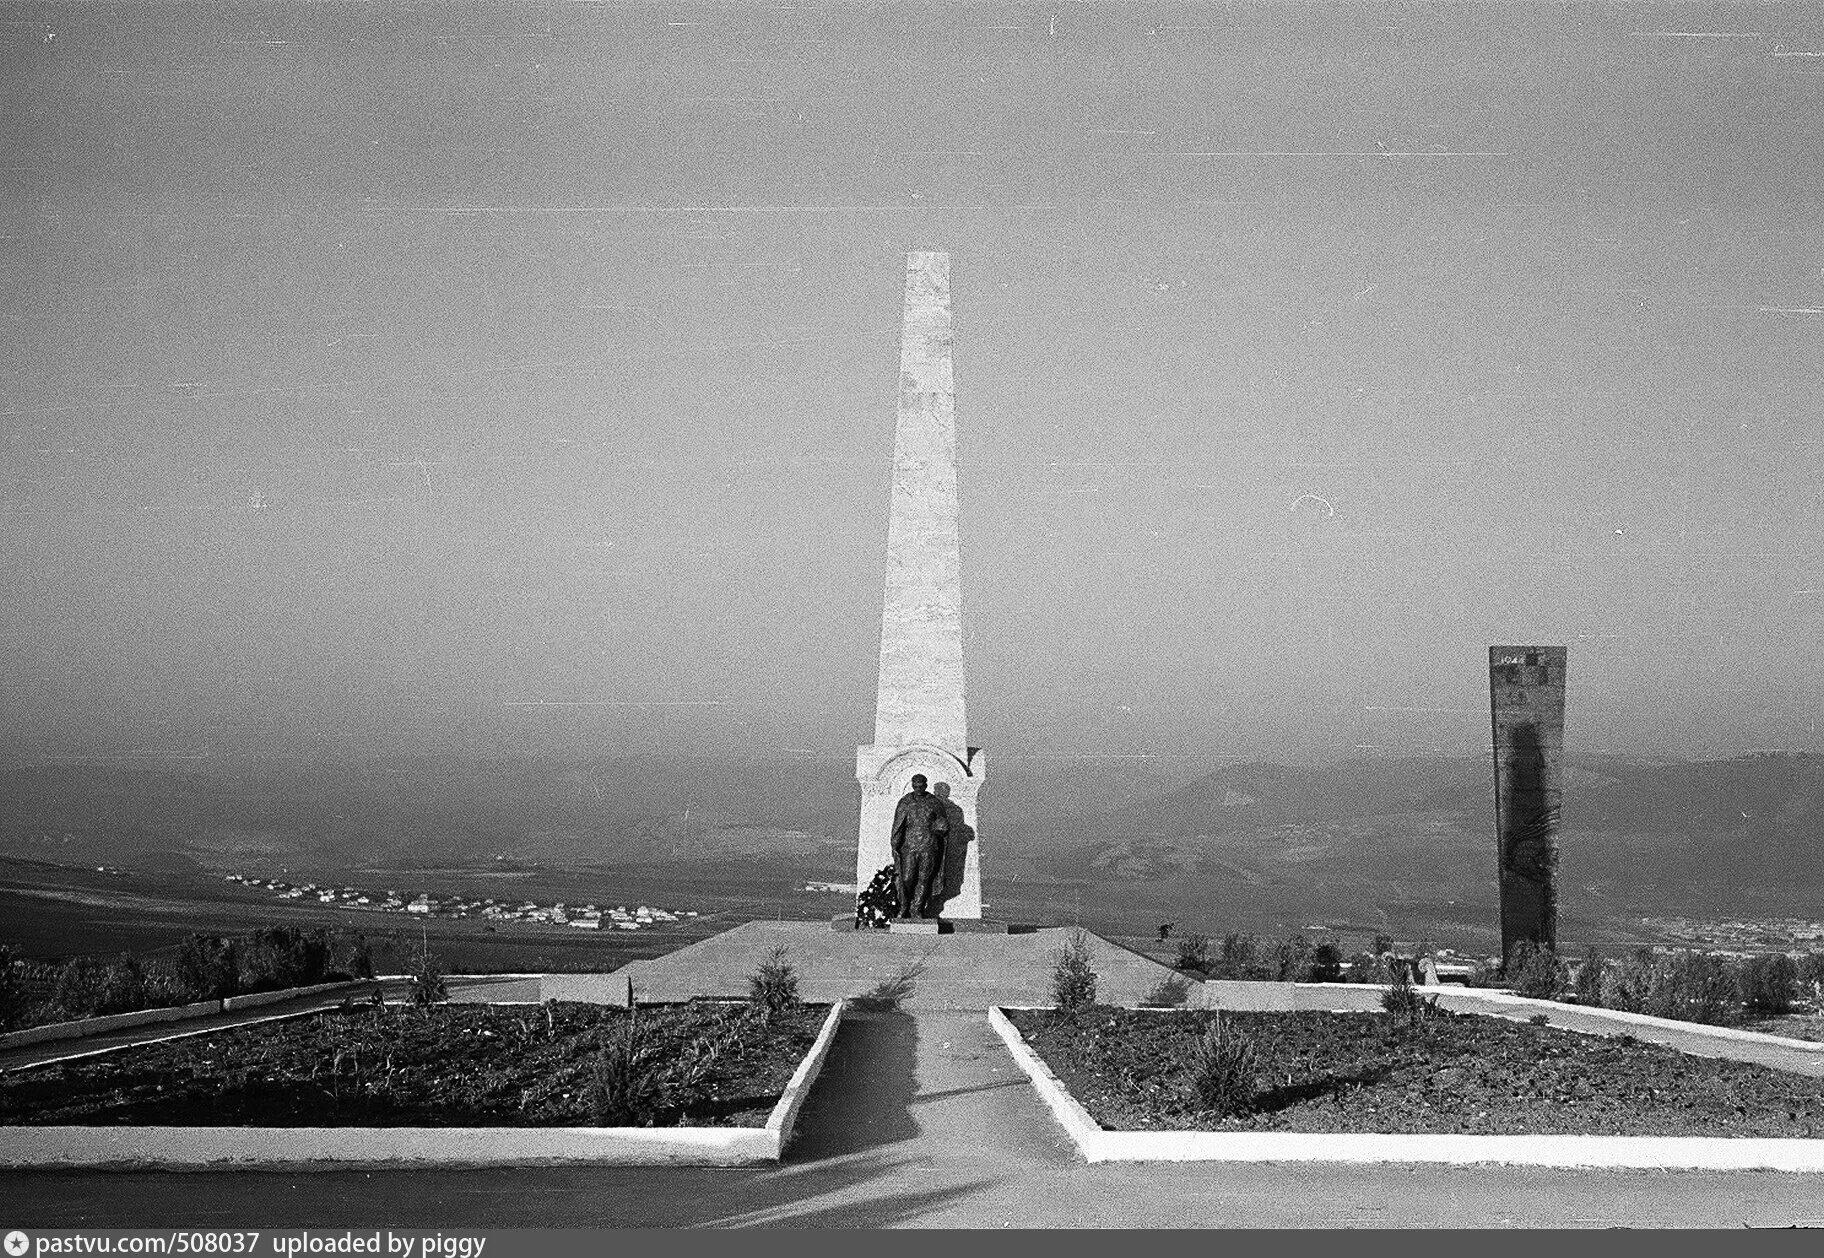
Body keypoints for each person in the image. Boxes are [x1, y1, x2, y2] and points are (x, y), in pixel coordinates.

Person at [890, 773, 948, 919]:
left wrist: (941, 828)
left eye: (921, 786)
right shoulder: (905, 802)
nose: (918, 789)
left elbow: (943, 824)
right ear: (912, 785)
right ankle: (904, 905)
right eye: (915, 786)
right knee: (907, 878)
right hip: (909, 846)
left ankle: (917, 908)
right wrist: (895, 844)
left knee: (924, 878)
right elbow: (898, 825)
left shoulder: (934, 803)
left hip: (929, 846)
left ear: (926, 786)